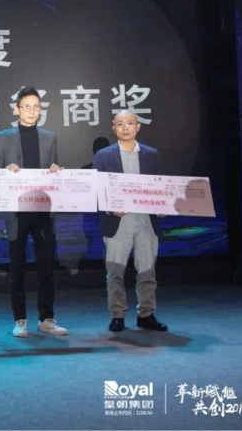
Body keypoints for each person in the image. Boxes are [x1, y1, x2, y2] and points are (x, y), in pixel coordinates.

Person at [0, 86, 68, 338]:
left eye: (36, 106)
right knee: (18, 269)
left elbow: (54, 168)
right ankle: (20, 319)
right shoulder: (3, 137)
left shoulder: (49, 137)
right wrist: (6, 172)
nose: (32, 111)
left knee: (46, 267)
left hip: (43, 211)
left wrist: (56, 170)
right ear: (17, 109)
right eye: (26, 106)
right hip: (16, 212)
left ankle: (46, 318)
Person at [93, 110, 168, 332]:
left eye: (129, 123)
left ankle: (146, 314)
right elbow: (97, 190)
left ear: (138, 127)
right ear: (113, 128)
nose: (125, 127)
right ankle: (117, 315)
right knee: (115, 272)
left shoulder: (151, 154)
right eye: (120, 124)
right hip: (118, 222)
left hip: (146, 221)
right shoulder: (103, 156)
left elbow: (160, 185)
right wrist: (110, 208)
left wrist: (163, 206)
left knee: (147, 271)